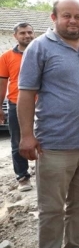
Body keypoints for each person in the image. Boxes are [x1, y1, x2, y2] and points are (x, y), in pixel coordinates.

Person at [18, 0, 79, 248]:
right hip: (55, 144)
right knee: (52, 208)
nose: (73, 21)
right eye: (67, 16)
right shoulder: (39, 48)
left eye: (78, 16)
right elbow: (26, 94)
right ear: (53, 17)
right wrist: (26, 135)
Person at [0, 22, 34, 192]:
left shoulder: (40, 53)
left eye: (29, 32)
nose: (27, 35)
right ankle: (22, 176)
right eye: (22, 33)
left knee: (49, 140)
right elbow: (2, 83)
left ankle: (47, 174)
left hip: (43, 105)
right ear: (15, 36)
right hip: (16, 104)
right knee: (17, 141)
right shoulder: (6, 57)